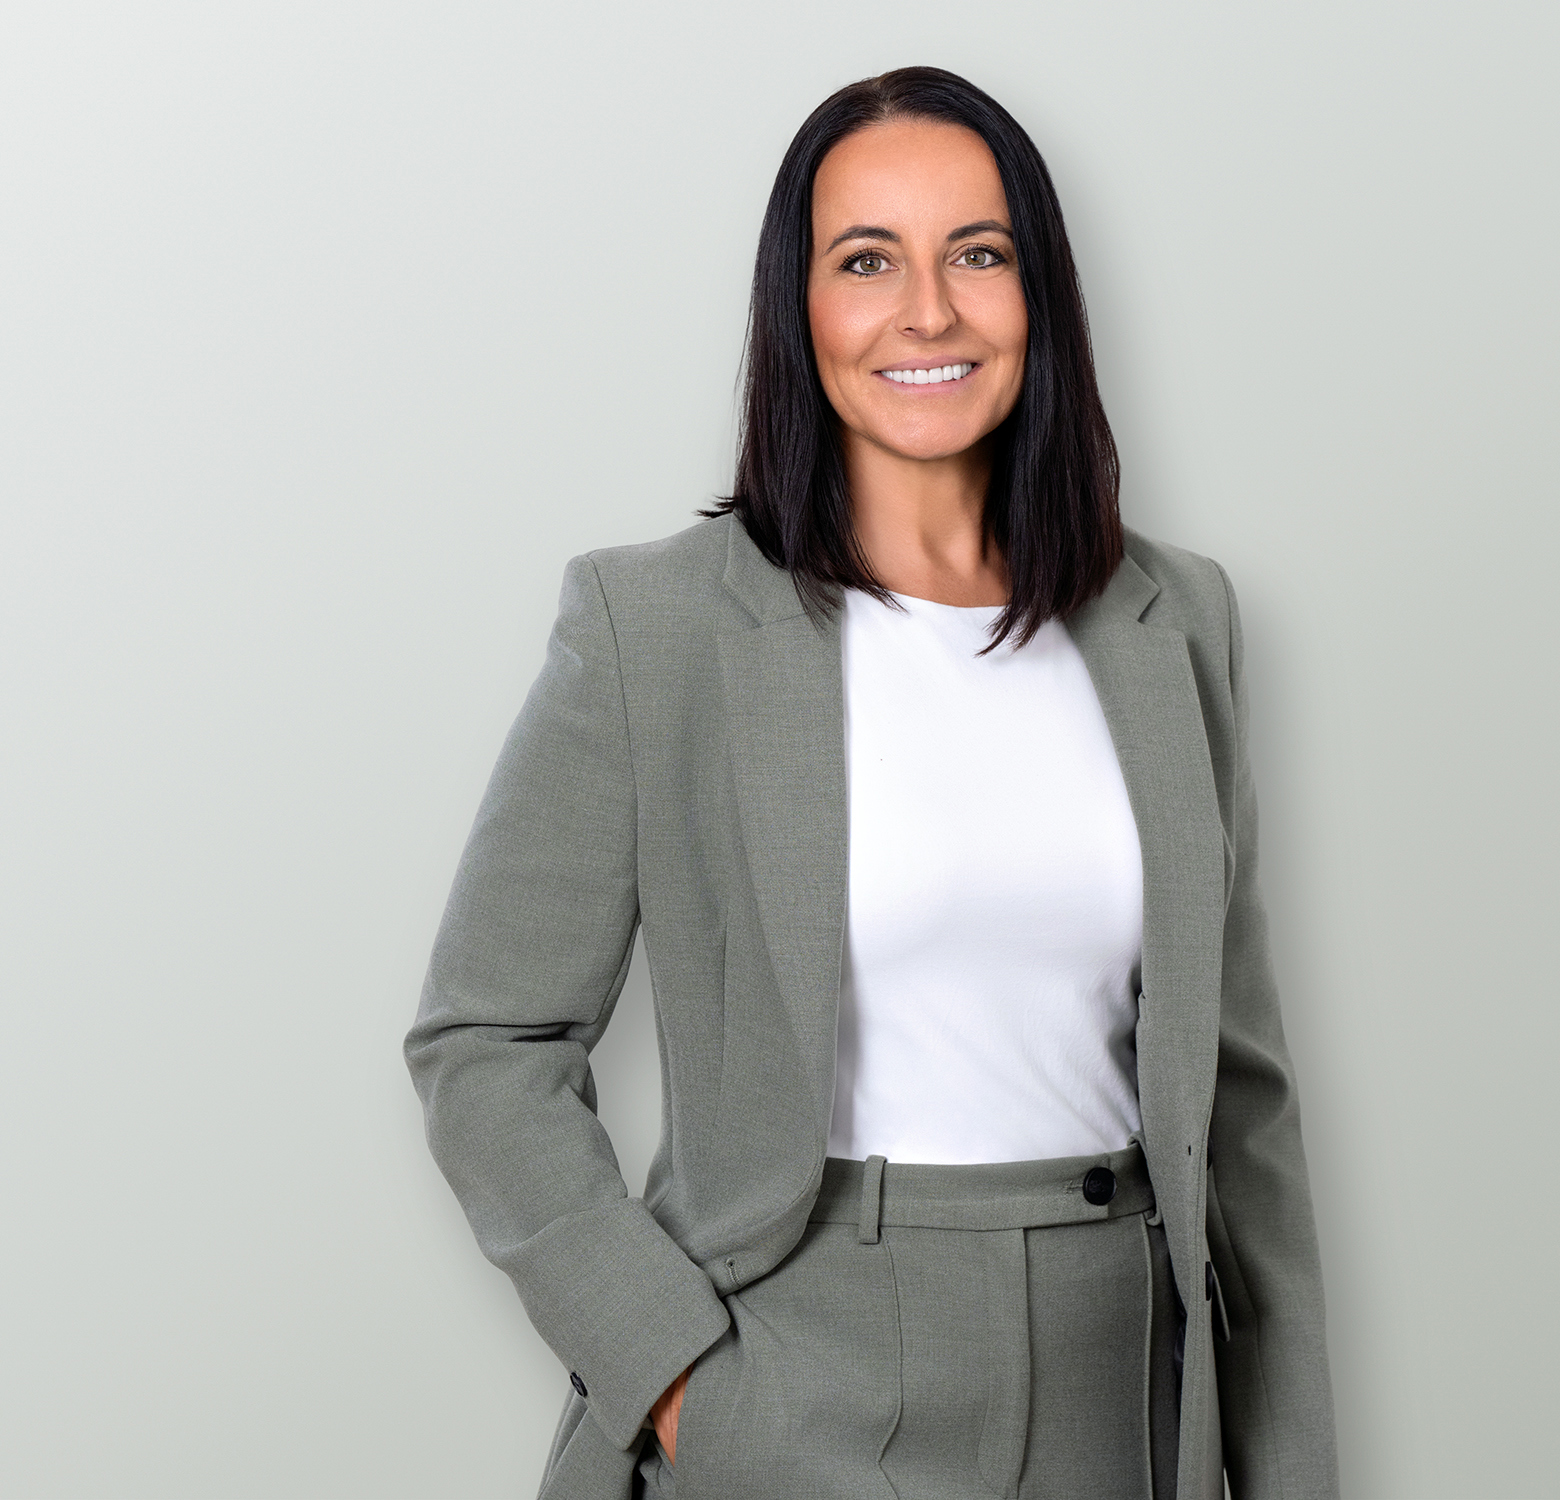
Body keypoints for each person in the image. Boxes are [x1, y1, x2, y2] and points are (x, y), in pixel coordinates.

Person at [406, 65, 1338, 1500]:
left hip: (1125, 1389)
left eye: (979, 253)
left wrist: (1285, 1470)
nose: (929, 311)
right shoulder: (655, 629)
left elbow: (1242, 1098)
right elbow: (485, 1045)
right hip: (796, 1368)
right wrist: (681, 1388)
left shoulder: (1178, 622)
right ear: (799, 309)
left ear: (1040, 294)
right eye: (866, 261)